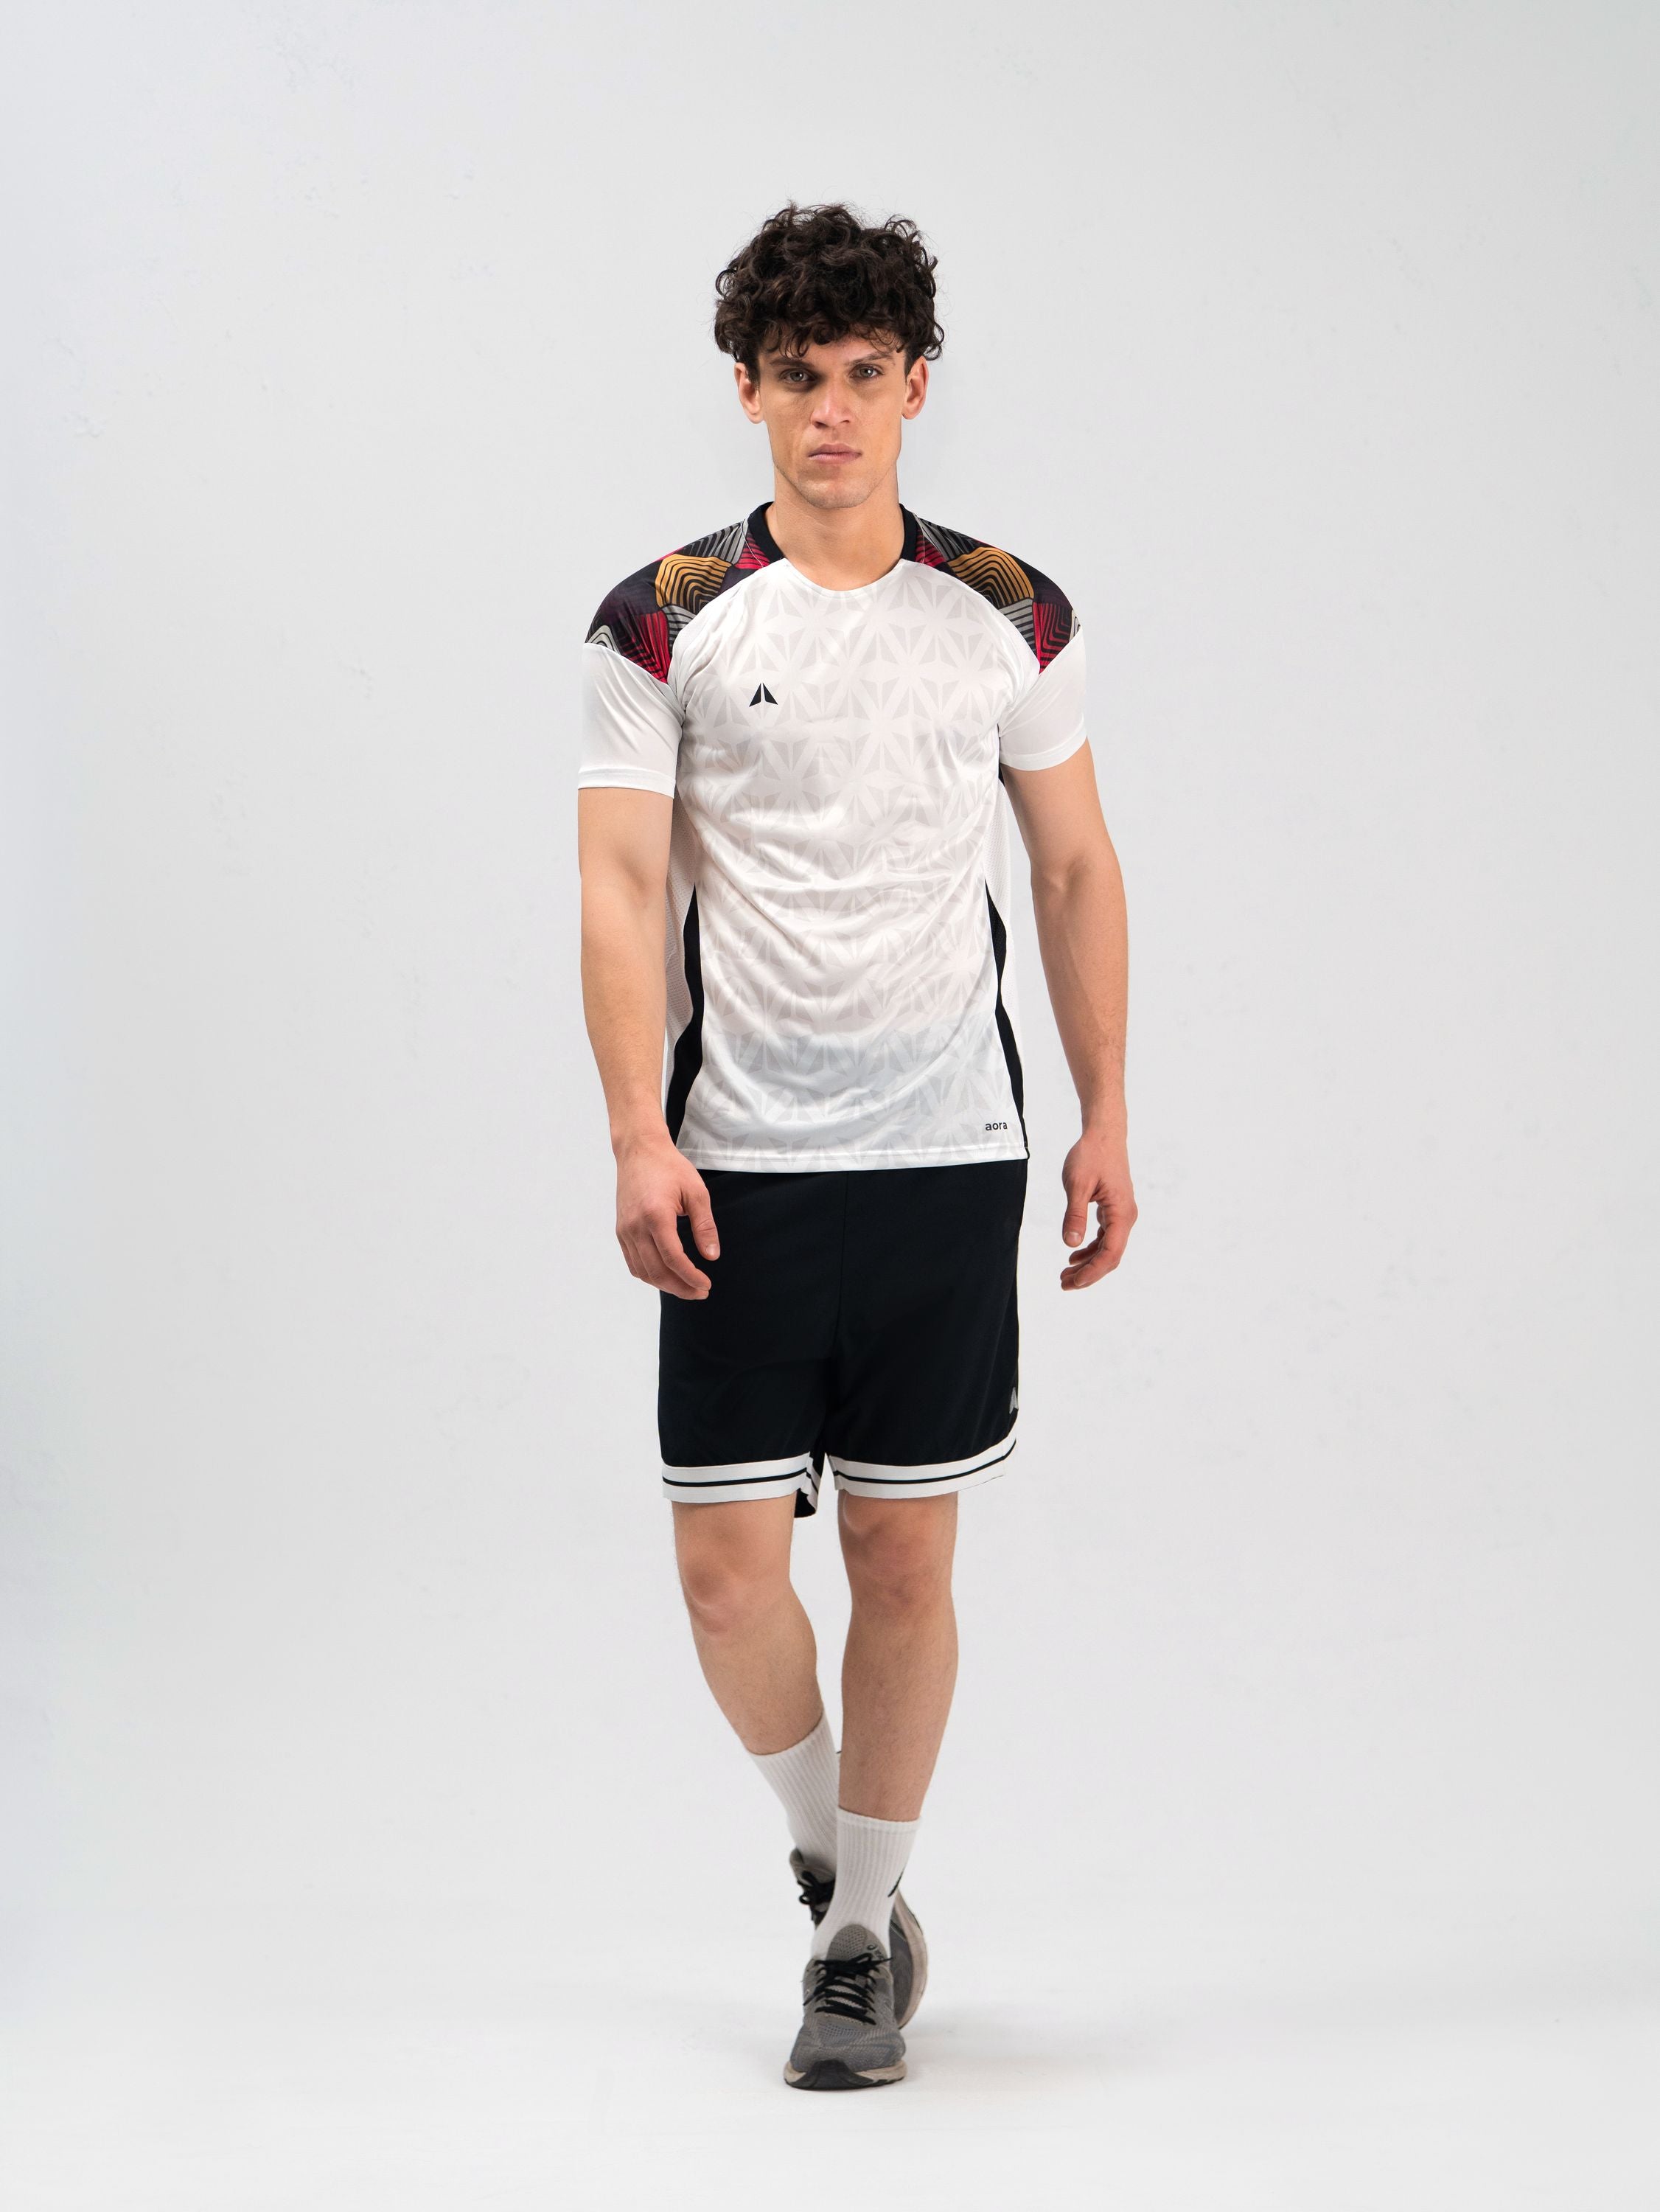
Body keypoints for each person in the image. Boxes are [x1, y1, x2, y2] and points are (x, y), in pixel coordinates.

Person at [576, 202, 1135, 2090]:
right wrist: (634, 1132)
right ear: (746, 392)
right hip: (734, 1156)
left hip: (943, 1148)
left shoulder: (1009, 609)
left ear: (916, 387)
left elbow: (1073, 865)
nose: (832, 408)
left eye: (865, 374)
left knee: (901, 1554)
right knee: (727, 1576)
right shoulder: (661, 615)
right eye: (797, 375)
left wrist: (1105, 1111)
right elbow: (618, 886)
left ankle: (846, 1950)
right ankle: (843, 1872)